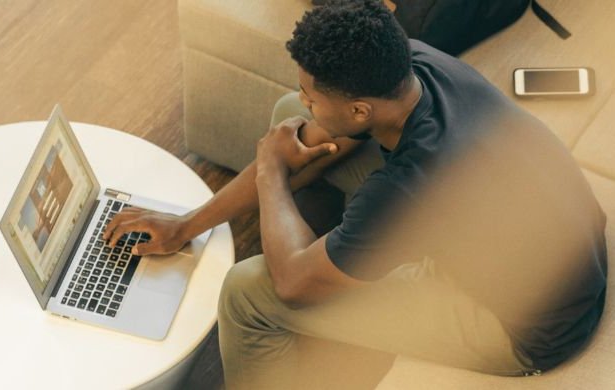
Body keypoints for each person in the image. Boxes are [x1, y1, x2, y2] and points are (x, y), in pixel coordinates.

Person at [105, 0, 607, 387]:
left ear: (362, 112)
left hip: (523, 330)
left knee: (246, 292)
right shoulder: (412, 63)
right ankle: (329, 254)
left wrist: (270, 175)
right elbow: (304, 137)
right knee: (289, 120)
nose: (305, 98)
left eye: (313, 95)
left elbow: (291, 284)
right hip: (557, 250)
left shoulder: (411, 185)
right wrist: (187, 224)